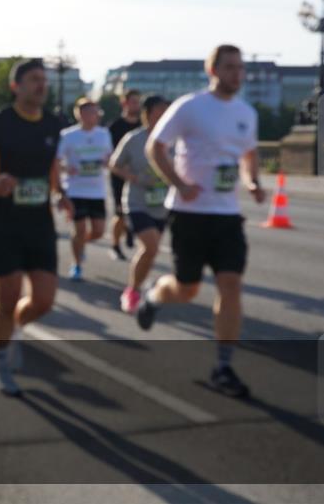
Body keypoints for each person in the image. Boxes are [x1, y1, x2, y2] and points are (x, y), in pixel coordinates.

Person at [137, 44, 265, 398]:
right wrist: (179, 184)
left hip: (227, 216)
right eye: (230, 67)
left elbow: (249, 154)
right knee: (186, 289)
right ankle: (154, 297)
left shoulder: (246, 112)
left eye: (240, 67)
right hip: (189, 214)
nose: (237, 74)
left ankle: (223, 367)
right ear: (213, 71)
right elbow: (155, 147)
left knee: (231, 285)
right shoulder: (190, 107)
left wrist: (252, 181)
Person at [0, 59, 70, 396]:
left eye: (44, 79)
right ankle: (1, 362)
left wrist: (61, 193)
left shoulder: (53, 123)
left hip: (40, 223)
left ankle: (14, 329)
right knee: (7, 299)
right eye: (34, 79)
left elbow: (51, 166)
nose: (41, 85)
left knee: (44, 300)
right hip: (3, 222)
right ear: (16, 86)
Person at [108, 95, 170, 313]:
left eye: (167, 110)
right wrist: (132, 177)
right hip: (137, 201)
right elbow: (114, 164)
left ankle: (136, 286)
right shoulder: (134, 138)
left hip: (162, 203)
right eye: (160, 110)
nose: (164, 115)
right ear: (148, 114)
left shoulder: (174, 139)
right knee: (151, 246)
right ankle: (132, 292)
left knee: (149, 252)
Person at [57, 97, 113, 281]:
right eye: (90, 112)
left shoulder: (104, 134)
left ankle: (80, 245)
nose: (94, 116)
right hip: (75, 189)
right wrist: (66, 168)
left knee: (98, 231)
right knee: (79, 229)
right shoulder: (68, 135)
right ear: (80, 114)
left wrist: (107, 162)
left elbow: (109, 157)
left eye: (96, 112)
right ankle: (77, 265)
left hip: (97, 190)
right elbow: (57, 162)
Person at [108, 89, 142, 260]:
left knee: (141, 210)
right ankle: (115, 245)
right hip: (120, 175)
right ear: (125, 103)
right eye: (133, 102)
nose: (136, 105)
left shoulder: (143, 126)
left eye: (138, 102)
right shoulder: (115, 127)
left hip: (140, 176)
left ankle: (131, 229)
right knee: (120, 213)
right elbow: (109, 154)